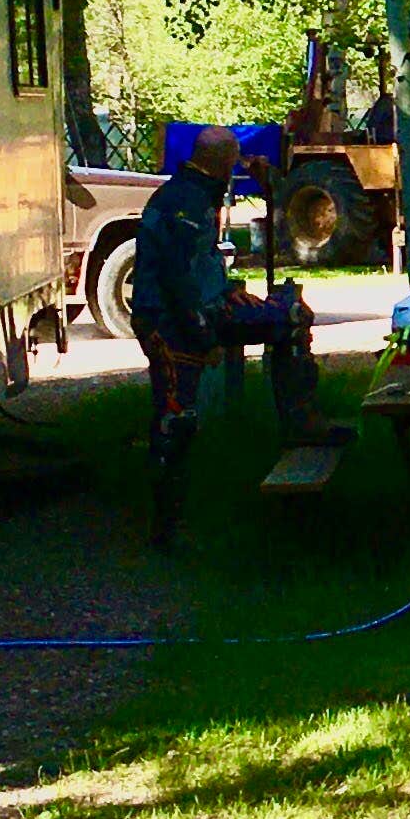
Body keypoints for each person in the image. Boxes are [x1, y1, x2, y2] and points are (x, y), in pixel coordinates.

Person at [135, 125, 324, 543]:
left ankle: (301, 428)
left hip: (203, 308)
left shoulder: (200, 192)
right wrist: (205, 337)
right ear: (219, 161)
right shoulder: (182, 201)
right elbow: (175, 277)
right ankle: (167, 525)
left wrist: (229, 293)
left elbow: (200, 266)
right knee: (175, 419)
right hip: (169, 322)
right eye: (233, 160)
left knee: (289, 316)